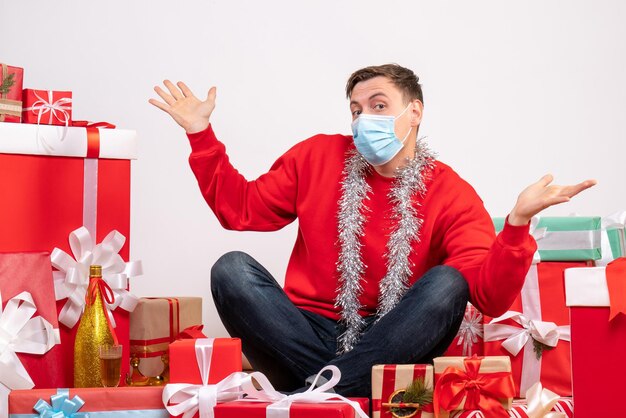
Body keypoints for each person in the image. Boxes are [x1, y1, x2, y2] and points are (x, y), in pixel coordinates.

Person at [150, 64, 596, 397]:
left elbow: (489, 296)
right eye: (356, 110)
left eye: (379, 106)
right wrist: (201, 134)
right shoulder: (316, 157)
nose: (365, 120)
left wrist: (516, 226)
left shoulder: (450, 190)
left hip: (397, 339)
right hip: (305, 332)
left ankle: (317, 396)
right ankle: (341, 392)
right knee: (231, 269)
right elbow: (241, 209)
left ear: (414, 112)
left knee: (448, 282)